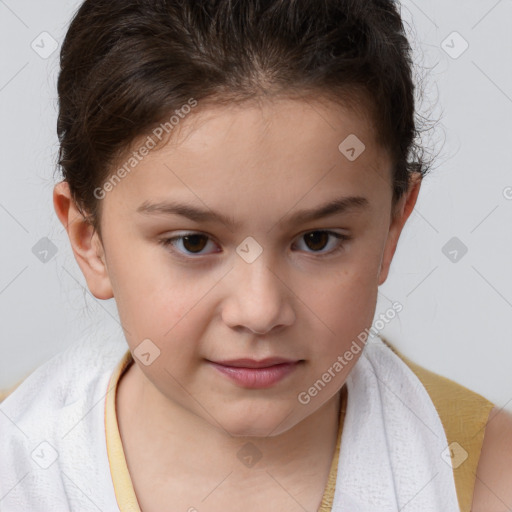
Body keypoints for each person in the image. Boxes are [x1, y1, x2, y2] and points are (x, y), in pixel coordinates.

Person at [1, 0, 511, 510]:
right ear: (89, 239)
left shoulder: (488, 476)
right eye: (193, 242)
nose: (260, 310)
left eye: (317, 239)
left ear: (392, 226)